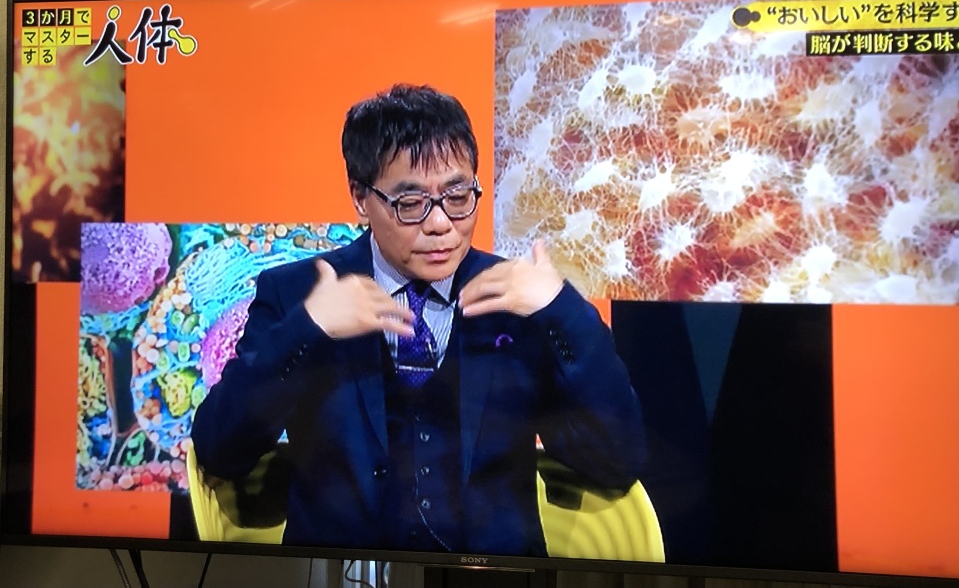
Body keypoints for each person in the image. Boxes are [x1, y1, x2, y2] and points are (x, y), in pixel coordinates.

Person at [190, 83, 646, 557]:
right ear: (361, 197)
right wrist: (307, 329)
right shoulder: (296, 294)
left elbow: (615, 461)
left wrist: (562, 310)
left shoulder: (520, 300)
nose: (440, 224)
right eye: (410, 204)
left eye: (458, 196)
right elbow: (222, 452)